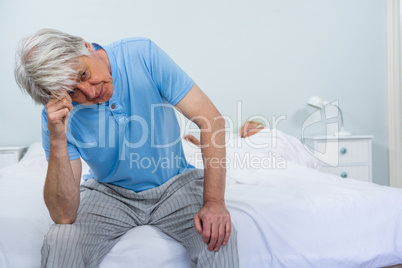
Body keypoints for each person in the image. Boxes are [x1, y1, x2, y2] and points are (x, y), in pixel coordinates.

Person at [14, 29, 238, 268]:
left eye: (83, 74)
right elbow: (63, 216)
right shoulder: (55, 118)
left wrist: (214, 201)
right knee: (61, 237)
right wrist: (58, 138)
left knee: (218, 237)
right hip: (109, 192)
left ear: (86, 47)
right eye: (71, 92)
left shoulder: (142, 53)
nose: (90, 92)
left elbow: (210, 120)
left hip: (175, 183)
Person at [184, 120, 265, 147]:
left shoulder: (270, 136)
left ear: (260, 128)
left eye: (248, 130)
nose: (244, 135)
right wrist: (199, 145)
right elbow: (224, 152)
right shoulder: (237, 142)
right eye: (242, 134)